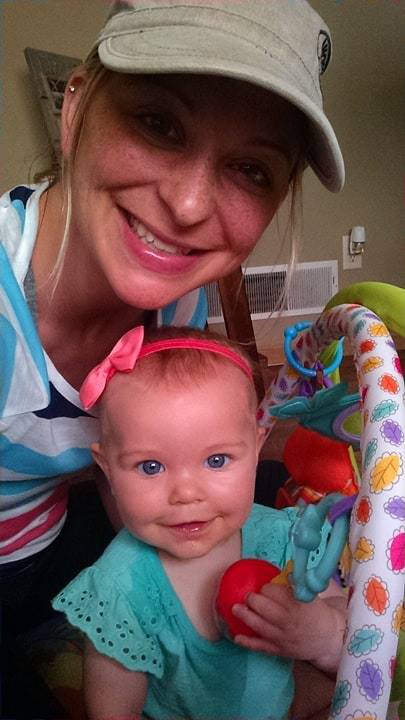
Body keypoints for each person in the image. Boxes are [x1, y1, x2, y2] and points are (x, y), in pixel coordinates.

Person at [0, 0, 344, 714]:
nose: (188, 206)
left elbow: (149, 460)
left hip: (68, 523)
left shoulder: (174, 295)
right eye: (158, 124)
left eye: (250, 169)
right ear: (75, 107)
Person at [53, 325, 347, 720]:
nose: (186, 494)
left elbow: (357, 643)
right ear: (107, 469)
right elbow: (113, 713)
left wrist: (323, 636)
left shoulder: (285, 539)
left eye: (216, 460)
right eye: (151, 466)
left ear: (257, 448)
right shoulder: (120, 588)